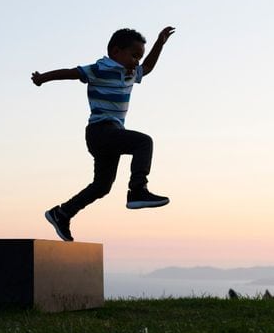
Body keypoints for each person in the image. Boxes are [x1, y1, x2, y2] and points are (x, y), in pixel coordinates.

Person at [31, 26, 175, 241]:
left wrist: (160, 43)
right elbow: (70, 73)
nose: (137, 61)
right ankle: (137, 189)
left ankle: (62, 213)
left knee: (102, 185)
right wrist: (43, 78)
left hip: (112, 135)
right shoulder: (99, 69)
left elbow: (148, 67)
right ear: (116, 52)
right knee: (143, 143)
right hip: (100, 131)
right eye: (133, 55)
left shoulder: (131, 73)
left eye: (139, 57)